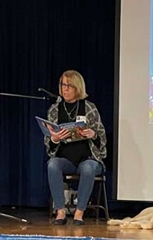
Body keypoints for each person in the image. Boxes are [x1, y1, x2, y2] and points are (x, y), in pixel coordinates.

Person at [44, 70, 107, 226]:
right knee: (52, 164)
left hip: (88, 158)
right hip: (66, 158)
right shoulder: (54, 110)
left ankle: (79, 213)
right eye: (62, 85)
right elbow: (48, 144)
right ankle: (60, 211)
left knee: (88, 168)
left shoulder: (89, 108)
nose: (65, 89)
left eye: (69, 86)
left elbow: (102, 138)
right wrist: (54, 138)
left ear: (77, 87)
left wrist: (93, 134)